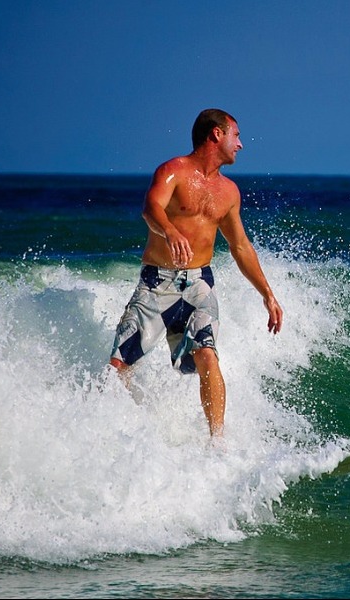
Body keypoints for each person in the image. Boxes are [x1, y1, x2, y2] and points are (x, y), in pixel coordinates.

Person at [109, 108, 283, 438]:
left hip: (200, 283)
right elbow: (151, 207)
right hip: (158, 283)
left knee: (207, 355)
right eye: (236, 135)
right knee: (118, 368)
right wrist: (170, 232)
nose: (240, 145)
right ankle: (122, 434)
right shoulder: (174, 171)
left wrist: (268, 295)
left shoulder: (229, 192)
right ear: (216, 134)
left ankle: (217, 443)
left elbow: (241, 246)